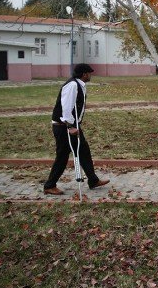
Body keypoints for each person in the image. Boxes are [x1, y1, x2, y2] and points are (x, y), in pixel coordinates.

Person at [43, 63, 109, 195]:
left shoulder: (79, 85)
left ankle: (93, 180)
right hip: (64, 127)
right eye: (89, 73)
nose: (91, 75)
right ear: (84, 74)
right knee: (62, 157)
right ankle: (49, 185)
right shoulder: (72, 85)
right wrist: (70, 126)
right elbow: (66, 107)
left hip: (72, 126)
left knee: (84, 151)